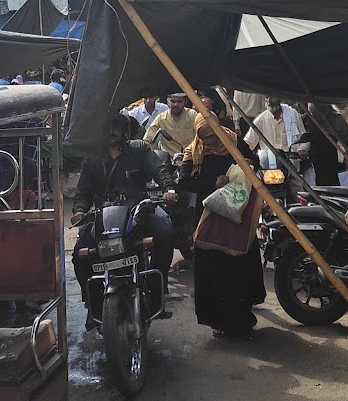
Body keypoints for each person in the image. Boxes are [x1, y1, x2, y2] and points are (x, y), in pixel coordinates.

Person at [70, 116, 177, 327]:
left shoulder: (139, 149)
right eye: (107, 127)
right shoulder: (92, 158)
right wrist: (80, 212)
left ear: (124, 130)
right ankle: (92, 306)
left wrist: (168, 189)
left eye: (116, 127)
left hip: (138, 210)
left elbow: (159, 169)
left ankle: (158, 291)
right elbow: (83, 193)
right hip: (104, 214)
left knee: (165, 231)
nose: (111, 131)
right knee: (80, 254)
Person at [193, 169, 266, 340]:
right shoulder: (195, 152)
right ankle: (220, 323)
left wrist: (246, 166)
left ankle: (242, 323)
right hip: (209, 219)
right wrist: (213, 182)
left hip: (240, 219)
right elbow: (184, 181)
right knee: (214, 278)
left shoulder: (235, 147)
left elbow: (252, 159)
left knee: (240, 273)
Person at [245, 97, 314, 186]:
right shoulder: (260, 120)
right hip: (268, 168)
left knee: (298, 190)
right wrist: (245, 157)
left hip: (290, 166)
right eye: (266, 97)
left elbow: (304, 138)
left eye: (272, 97)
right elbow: (248, 143)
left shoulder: (293, 114)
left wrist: (302, 150)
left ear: (279, 98)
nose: (269, 101)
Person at [143, 91, 197, 158]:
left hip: (189, 157)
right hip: (168, 160)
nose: (175, 104)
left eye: (179, 102)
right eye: (173, 101)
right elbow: (148, 140)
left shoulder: (192, 116)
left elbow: (200, 137)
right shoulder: (161, 118)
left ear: (185, 102)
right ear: (168, 101)